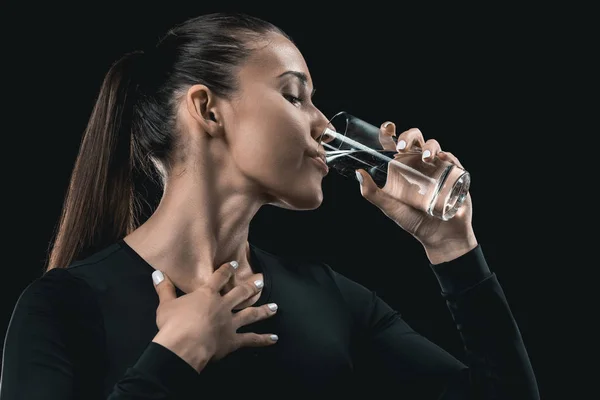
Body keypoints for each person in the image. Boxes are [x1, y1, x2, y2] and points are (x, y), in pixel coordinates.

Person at [0, 12, 539, 399]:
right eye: (293, 94)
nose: (324, 125)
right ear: (208, 110)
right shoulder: (62, 308)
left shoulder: (330, 299)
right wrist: (177, 354)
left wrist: (452, 244)